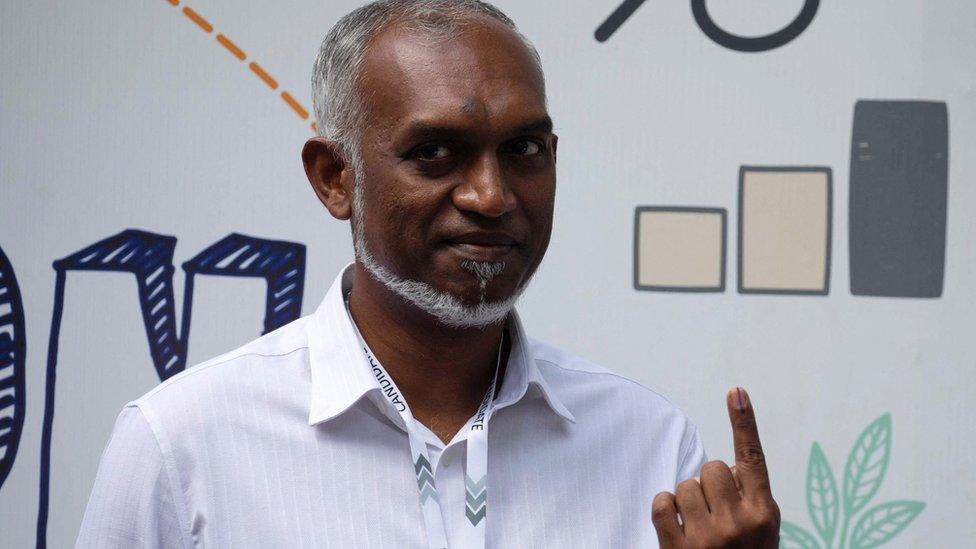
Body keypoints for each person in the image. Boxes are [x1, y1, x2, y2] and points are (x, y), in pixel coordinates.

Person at [77, 0, 780, 547]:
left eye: (524, 148)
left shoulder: (650, 446)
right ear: (334, 177)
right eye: (437, 151)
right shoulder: (181, 446)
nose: (491, 195)